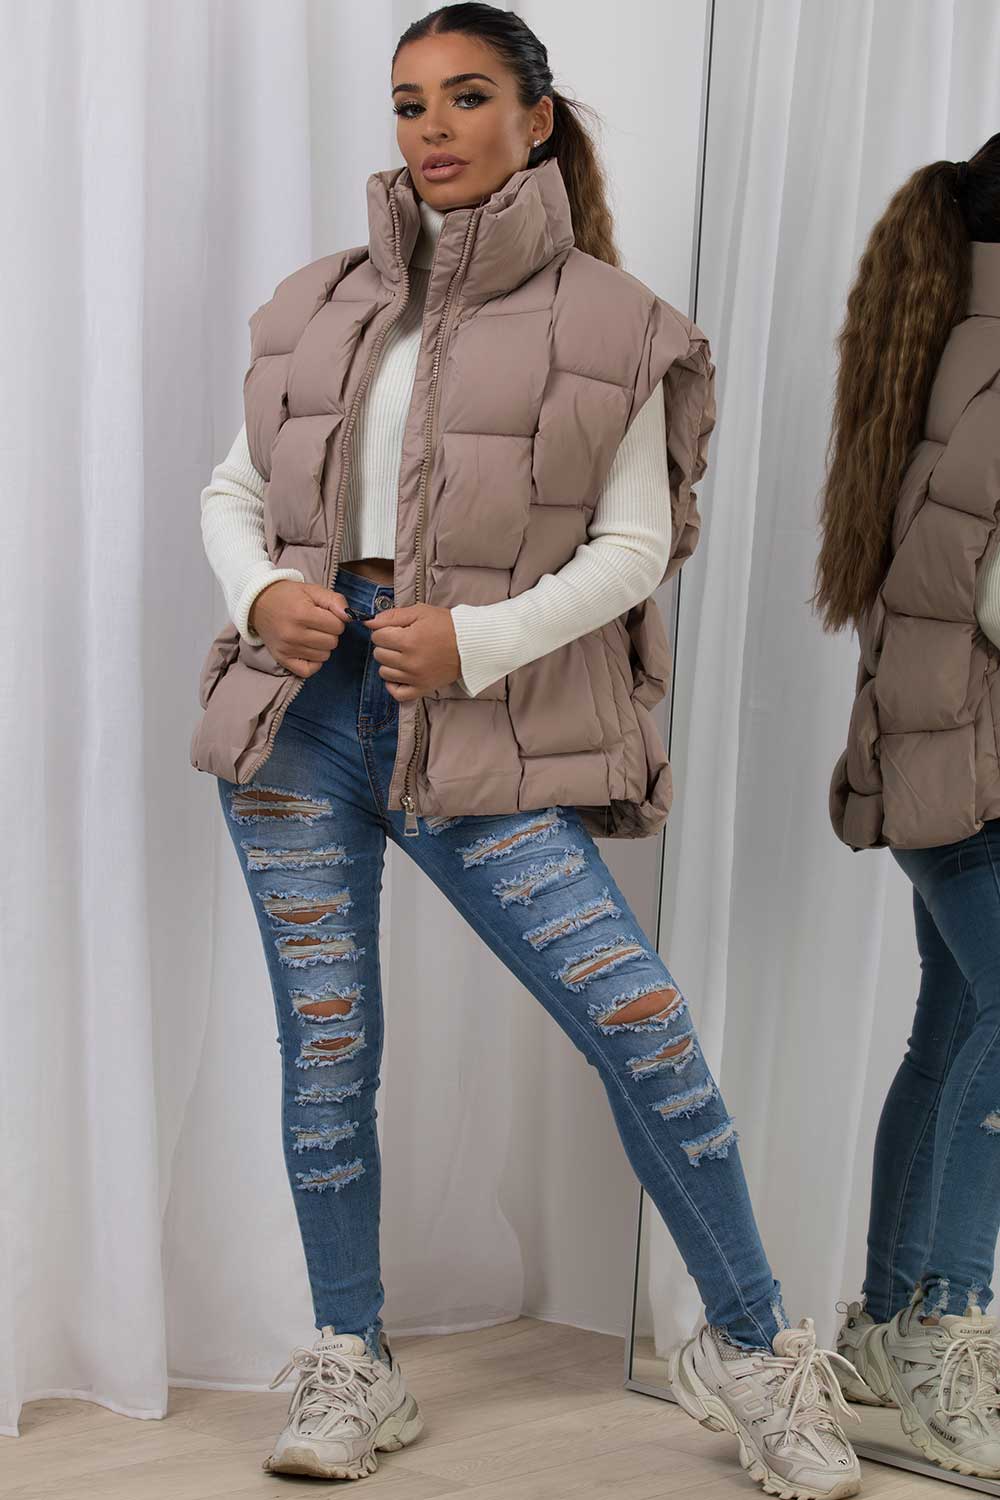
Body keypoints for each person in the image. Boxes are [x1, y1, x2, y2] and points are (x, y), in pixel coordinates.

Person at [192, 5, 861, 1490]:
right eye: (409, 102)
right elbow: (234, 490)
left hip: (481, 728)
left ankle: (754, 1352)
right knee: (328, 1053)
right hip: (300, 724)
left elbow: (638, 546)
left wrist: (477, 644)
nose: (432, 128)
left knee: (640, 1025)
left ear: (535, 118)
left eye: (467, 96)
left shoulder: (619, 322)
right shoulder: (320, 300)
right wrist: (261, 596)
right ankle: (352, 1360)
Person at [818, 130, 1000, 1481]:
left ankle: (887, 1327)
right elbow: (975, 583)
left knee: (950, 1039)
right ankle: (946, 1330)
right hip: (975, 765)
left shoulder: (956, 336)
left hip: (947, 756)